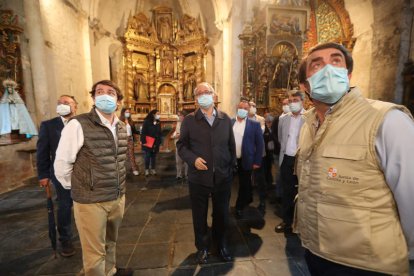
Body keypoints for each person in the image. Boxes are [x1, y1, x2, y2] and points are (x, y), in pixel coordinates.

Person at [294, 42, 414, 275]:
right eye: (316, 65)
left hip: (368, 263)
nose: (328, 69)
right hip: (316, 253)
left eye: (336, 61)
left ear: (347, 75)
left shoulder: (387, 120)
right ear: (304, 85)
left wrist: (406, 251)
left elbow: (410, 194)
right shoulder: (307, 125)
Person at [54, 80, 132, 276]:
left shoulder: (121, 127)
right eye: (100, 92)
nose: (105, 95)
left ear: (118, 101)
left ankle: (110, 271)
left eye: (110, 92)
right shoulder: (78, 124)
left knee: (111, 241)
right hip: (91, 200)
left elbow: (119, 161)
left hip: (116, 196)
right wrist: (80, 188)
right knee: (94, 252)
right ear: (94, 98)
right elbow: (62, 162)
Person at [177, 82, 236, 264]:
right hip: (198, 178)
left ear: (214, 95)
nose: (204, 95)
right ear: (196, 99)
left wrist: (230, 167)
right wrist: (193, 159)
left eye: (207, 92)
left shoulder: (225, 119)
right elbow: (182, 146)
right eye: (200, 93)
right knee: (199, 215)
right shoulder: (189, 120)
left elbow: (231, 146)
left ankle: (221, 244)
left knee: (221, 214)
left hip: (222, 176)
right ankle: (202, 247)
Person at [37, 94, 78, 257]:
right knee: (64, 206)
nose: (63, 105)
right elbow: (42, 152)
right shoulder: (48, 126)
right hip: (61, 174)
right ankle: (65, 239)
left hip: (83, 173)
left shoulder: (82, 123)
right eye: (59, 103)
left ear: (75, 106)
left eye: (66, 103)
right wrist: (43, 174)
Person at [275, 90, 305, 235]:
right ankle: (287, 221)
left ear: (302, 101)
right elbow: (281, 139)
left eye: (296, 100)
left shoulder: (310, 117)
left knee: (303, 192)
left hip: (302, 161)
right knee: (287, 191)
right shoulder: (283, 119)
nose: (293, 103)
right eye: (291, 100)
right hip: (287, 158)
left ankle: (302, 224)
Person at [233, 100, 264, 218]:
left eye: (245, 108)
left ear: (248, 110)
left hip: (246, 159)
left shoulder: (254, 124)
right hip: (231, 160)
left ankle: (239, 207)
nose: (243, 110)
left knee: (244, 184)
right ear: (237, 108)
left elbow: (260, 144)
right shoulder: (230, 122)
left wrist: (257, 161)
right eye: (241, 107)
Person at [247, 100, 267, 213]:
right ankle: (247, 199)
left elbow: (261, 132)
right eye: (250, 106)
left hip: (259, 153)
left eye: (254, 106)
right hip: (247, 152)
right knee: (247, 177)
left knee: (260, 178)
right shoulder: (243, 118)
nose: (253, 107)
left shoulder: (260, 119)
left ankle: (262, 201)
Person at [140, 109, 162, 176]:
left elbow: (159, 132)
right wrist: (143, 141)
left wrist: (160, 142)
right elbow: (143, 132)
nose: (159, 115)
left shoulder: (158, 122)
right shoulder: (146, 122)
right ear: (153, 114)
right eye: (157, 114)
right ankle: (146, 169)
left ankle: (153, 169)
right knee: (147, 156)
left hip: (156, 142)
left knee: (153, 156)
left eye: (159, 114)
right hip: (148, 141)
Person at [120, 107, 140, 176]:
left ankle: (134, 169)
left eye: (128, 112)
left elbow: (134, 131)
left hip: (130, 139)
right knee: (122, 156)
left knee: (131, 155)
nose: (128, 113)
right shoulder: (120, 121)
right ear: (123, 113)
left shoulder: (131, 121)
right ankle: (121, 171)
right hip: (122, 139)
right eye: (126, 112)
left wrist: (140, 132)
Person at [171, 110, 188, 180]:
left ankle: (187, 175)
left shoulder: (188, 122)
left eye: (179, 115)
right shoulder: (178, 123)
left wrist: (180, 135)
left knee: (187, 160)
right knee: (178, 160)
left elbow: (189, 132)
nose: (178, 117)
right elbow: (176, 131)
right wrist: (174, 135)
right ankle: (179, 174)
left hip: (186, 144)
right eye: (178, 115)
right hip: (178, 144)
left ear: (183, 116)